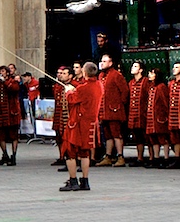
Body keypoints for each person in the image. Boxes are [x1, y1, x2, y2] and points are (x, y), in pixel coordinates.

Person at [59, 61, 103, 192]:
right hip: (90, 123)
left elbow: (72, 99)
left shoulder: (83, 88)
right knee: (85, 153)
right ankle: (85, 180)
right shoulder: (99, 85)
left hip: (78, 123)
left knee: (70, 152)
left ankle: (73, 180)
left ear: (84, 72)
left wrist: (68, 91)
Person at [96, 53, 129, 167]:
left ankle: (120, 156)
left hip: (114, 110)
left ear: (110, 63)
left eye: (105, 61)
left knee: (116, 134)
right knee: (107, 135)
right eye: (102, 61)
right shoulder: (101, 76)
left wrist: (118, 104)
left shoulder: (116, 75)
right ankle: (108, 156)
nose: (102, 63)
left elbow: (124, 91)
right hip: (104, 111)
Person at [0, 66, 21, 166]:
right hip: (1, 112)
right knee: (0, 135)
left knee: (13, 135)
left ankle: (13, 156)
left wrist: (4, 82)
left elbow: (13, 89)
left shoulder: (13, 82)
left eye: (3, 71)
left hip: (11, 113)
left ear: (8, 73)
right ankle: (5, 155)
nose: (1, 73)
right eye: (0, 71)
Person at [145, 67, 169, 168]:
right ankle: (156, 158)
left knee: (162, 138)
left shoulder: (161, 87)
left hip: (159, 117)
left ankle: (166, 158)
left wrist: (165, 115)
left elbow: (164, 102)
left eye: (152, 73)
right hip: (151, 117)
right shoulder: (151, 87)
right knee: (153, 139)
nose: (149, 75)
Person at [127, 60, 150, 167]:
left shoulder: (145, 81)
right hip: (133, 114)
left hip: (143, 114)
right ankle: (139, 157)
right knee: (138, 137)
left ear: (140, 70)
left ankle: (151, 157)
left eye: (135, 66)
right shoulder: (131, 83)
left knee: (147, 136)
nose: (132, 68)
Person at [52, 66, 73, 168]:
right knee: (59, 137)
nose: (61, 75)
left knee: (67, 139)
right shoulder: (59, 85)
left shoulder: (73, 86)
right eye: (60, 73)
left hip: (68, 116)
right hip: (59, 114)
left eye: (64, 73)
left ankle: (70, 159)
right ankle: (62, 156)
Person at [167, 61, 180, 168]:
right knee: (175, 138)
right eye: (174, 67)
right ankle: (177, 158)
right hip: (173, 114)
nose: (174, 69)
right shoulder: (171, 83)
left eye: (177, 67)